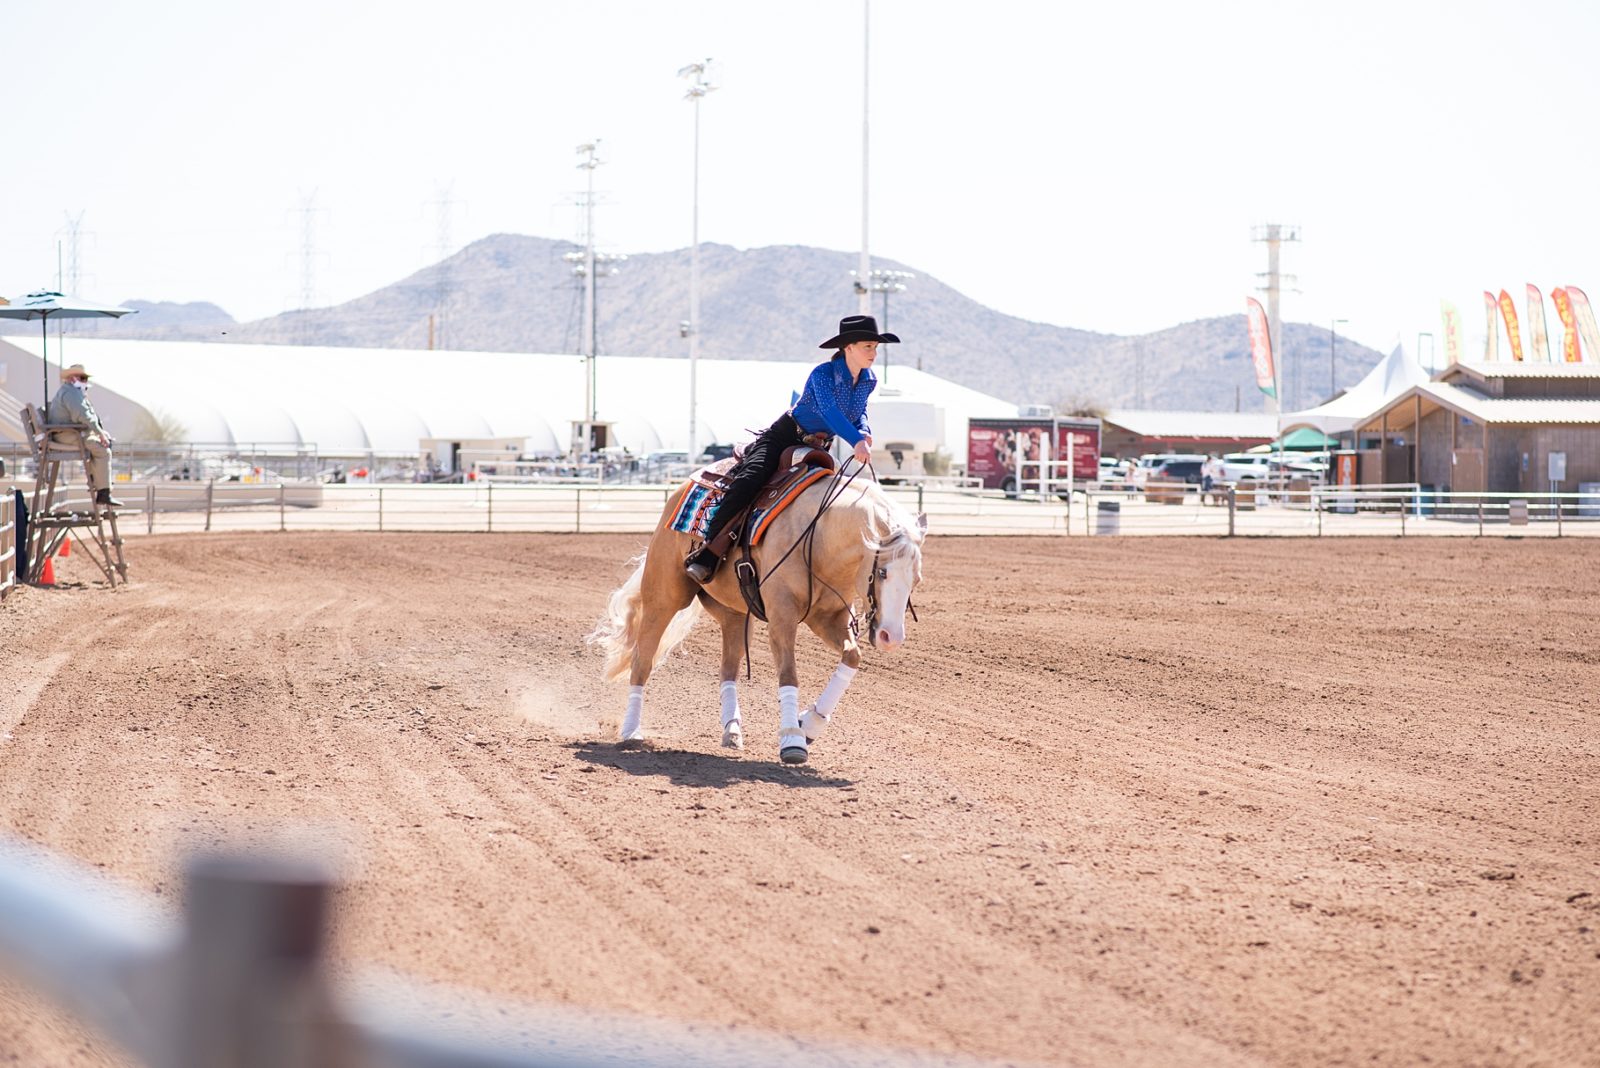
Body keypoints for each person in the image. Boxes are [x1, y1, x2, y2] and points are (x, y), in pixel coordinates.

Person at [684, 314, 896, 583]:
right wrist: (855, 439)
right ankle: (708, 552)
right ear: (848, 347)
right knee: (749, 480)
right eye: (868, 346)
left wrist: (864, 431)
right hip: (784, 436)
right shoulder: (823, 374)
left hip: (818, 445)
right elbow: (829, 411)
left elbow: (859, 410)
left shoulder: (868, 380)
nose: (874, 353)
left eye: (876, 347)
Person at [46, 363, 121, 507]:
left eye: (85, 378)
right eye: (83, 377)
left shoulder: (72, 392)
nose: (85, 381)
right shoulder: (71, 393)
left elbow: (86, 416)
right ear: (73, 378)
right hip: (68, 435)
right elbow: (84, 415)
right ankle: (103, 491)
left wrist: (100, 432)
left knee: (101, 445)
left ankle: (98, 483)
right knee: (101, 449)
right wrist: (100, 433)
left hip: (70, 433)